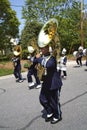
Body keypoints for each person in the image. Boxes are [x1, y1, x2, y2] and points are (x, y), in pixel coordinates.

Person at [34, 42, 63, 124]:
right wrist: (35, 59)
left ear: (47, 49)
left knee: (54, 101)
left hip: (54, 83)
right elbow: (34, 61)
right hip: (46, 82)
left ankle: (58, 116)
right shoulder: (43, 57)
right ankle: (50, 112)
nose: (41, 50)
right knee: (42, 99)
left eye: (42, 48)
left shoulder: (52, 58)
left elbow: (48, 65)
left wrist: (39, 59)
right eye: (41, 48)